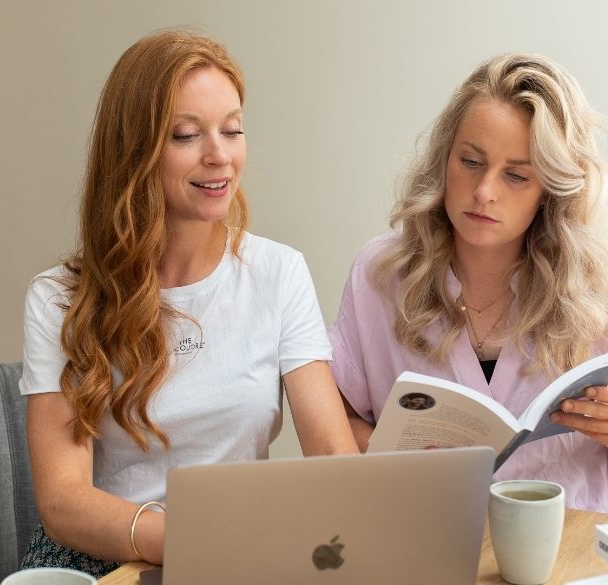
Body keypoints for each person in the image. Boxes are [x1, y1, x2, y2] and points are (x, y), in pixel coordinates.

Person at [18, 29, 358, 577]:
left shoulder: (278, 273)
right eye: (185, 135)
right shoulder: (58, 299)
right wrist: (197, 542)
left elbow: (335, 460)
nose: (219, 156)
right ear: (135, 151)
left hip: (232, 558)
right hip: (101, 562)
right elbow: (62, 503)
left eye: (232, 130)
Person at [329, 53, 608, 516]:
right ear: (445, 157)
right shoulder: (383, 272)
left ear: (551, 190)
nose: (485, 191)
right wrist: (392, 459)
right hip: (431, 532)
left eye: (516, 175)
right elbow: (340, 417)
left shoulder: (597, 287)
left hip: (575, 541)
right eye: (470, 161)